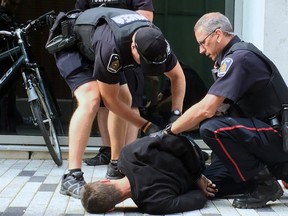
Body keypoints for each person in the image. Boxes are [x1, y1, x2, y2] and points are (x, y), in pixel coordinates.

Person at [152, 12, 288, 209]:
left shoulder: (240, 58)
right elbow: (221, 109)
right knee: (210, 184)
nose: (201, 50)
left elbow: (207, 109)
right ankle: (272, 172)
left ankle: (266, 185)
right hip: (261, 141)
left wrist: (168, 132)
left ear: (217, 34)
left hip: (277, 137)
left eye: (202, 43)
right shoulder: (229, 59)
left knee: (211, 128)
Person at [47, 7, 186, 199]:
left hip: (96, 43)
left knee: (127, 98)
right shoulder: (111, 47)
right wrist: (147, 126)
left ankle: (115, 164)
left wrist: (176, 115)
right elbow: (111, 102)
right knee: (92, 98)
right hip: (72, 43)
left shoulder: (157, 41)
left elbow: (178, 77)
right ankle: (72, 175)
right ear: (133, 48)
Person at [75, 0, 154, 180]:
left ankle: (130, 154)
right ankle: (108, 150)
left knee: (130, 100)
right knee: (104, 100)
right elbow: (80, 16)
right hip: (99, 46)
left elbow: (146, 17)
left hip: (129, 46)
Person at [80, 134, 217, 214]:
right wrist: (197, 174)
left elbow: (198, 198)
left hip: (202, 171)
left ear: (111, 208)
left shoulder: (152, 205)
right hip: (192, 150)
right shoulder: (128, 155)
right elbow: (175, 140)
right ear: (105, 181)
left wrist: (197, 178)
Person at [0, 0, 21, 134]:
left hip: (8, 57)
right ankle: (7, 130)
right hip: (3, 57)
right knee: (5, 95)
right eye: (13, 4)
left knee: (8, 94)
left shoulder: (8, 14)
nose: (15, 7)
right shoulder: (3, 15)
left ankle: (9, 126)